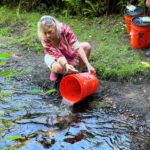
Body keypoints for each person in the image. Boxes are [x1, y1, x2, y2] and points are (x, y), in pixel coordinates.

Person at [37, 16, 96, 81]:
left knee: (86, 46)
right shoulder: (44, 38)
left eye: (49, 32)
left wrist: (88, 65)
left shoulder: (64, 28)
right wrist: (66, 65)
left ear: (55, 27)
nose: (47, 35)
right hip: (53, 55)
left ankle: (79, 71)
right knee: (59, 68)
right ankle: (53, 69)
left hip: (66, 50)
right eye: (45, 33)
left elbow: (77, 46)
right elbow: (57, 55)